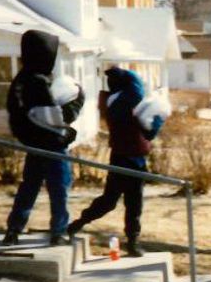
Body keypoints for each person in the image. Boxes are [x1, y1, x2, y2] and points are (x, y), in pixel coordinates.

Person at [67, 67, 164, 257]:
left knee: (109, 201)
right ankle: (133, 241)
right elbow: (149, 133)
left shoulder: (113, 101)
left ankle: (77, 224)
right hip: (132, 158)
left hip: (119, 156)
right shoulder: (129, 101)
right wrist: (158, 119)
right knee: (133, 203)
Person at [3, 29, 85, 246]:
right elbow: (56, 116)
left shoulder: (24, 80)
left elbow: (24, 117)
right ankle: (57, 232)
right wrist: (76, 103)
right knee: (58, 190)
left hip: (36, 146)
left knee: (29, 189)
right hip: (52, 147)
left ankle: (14, 230)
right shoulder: (36, 81)